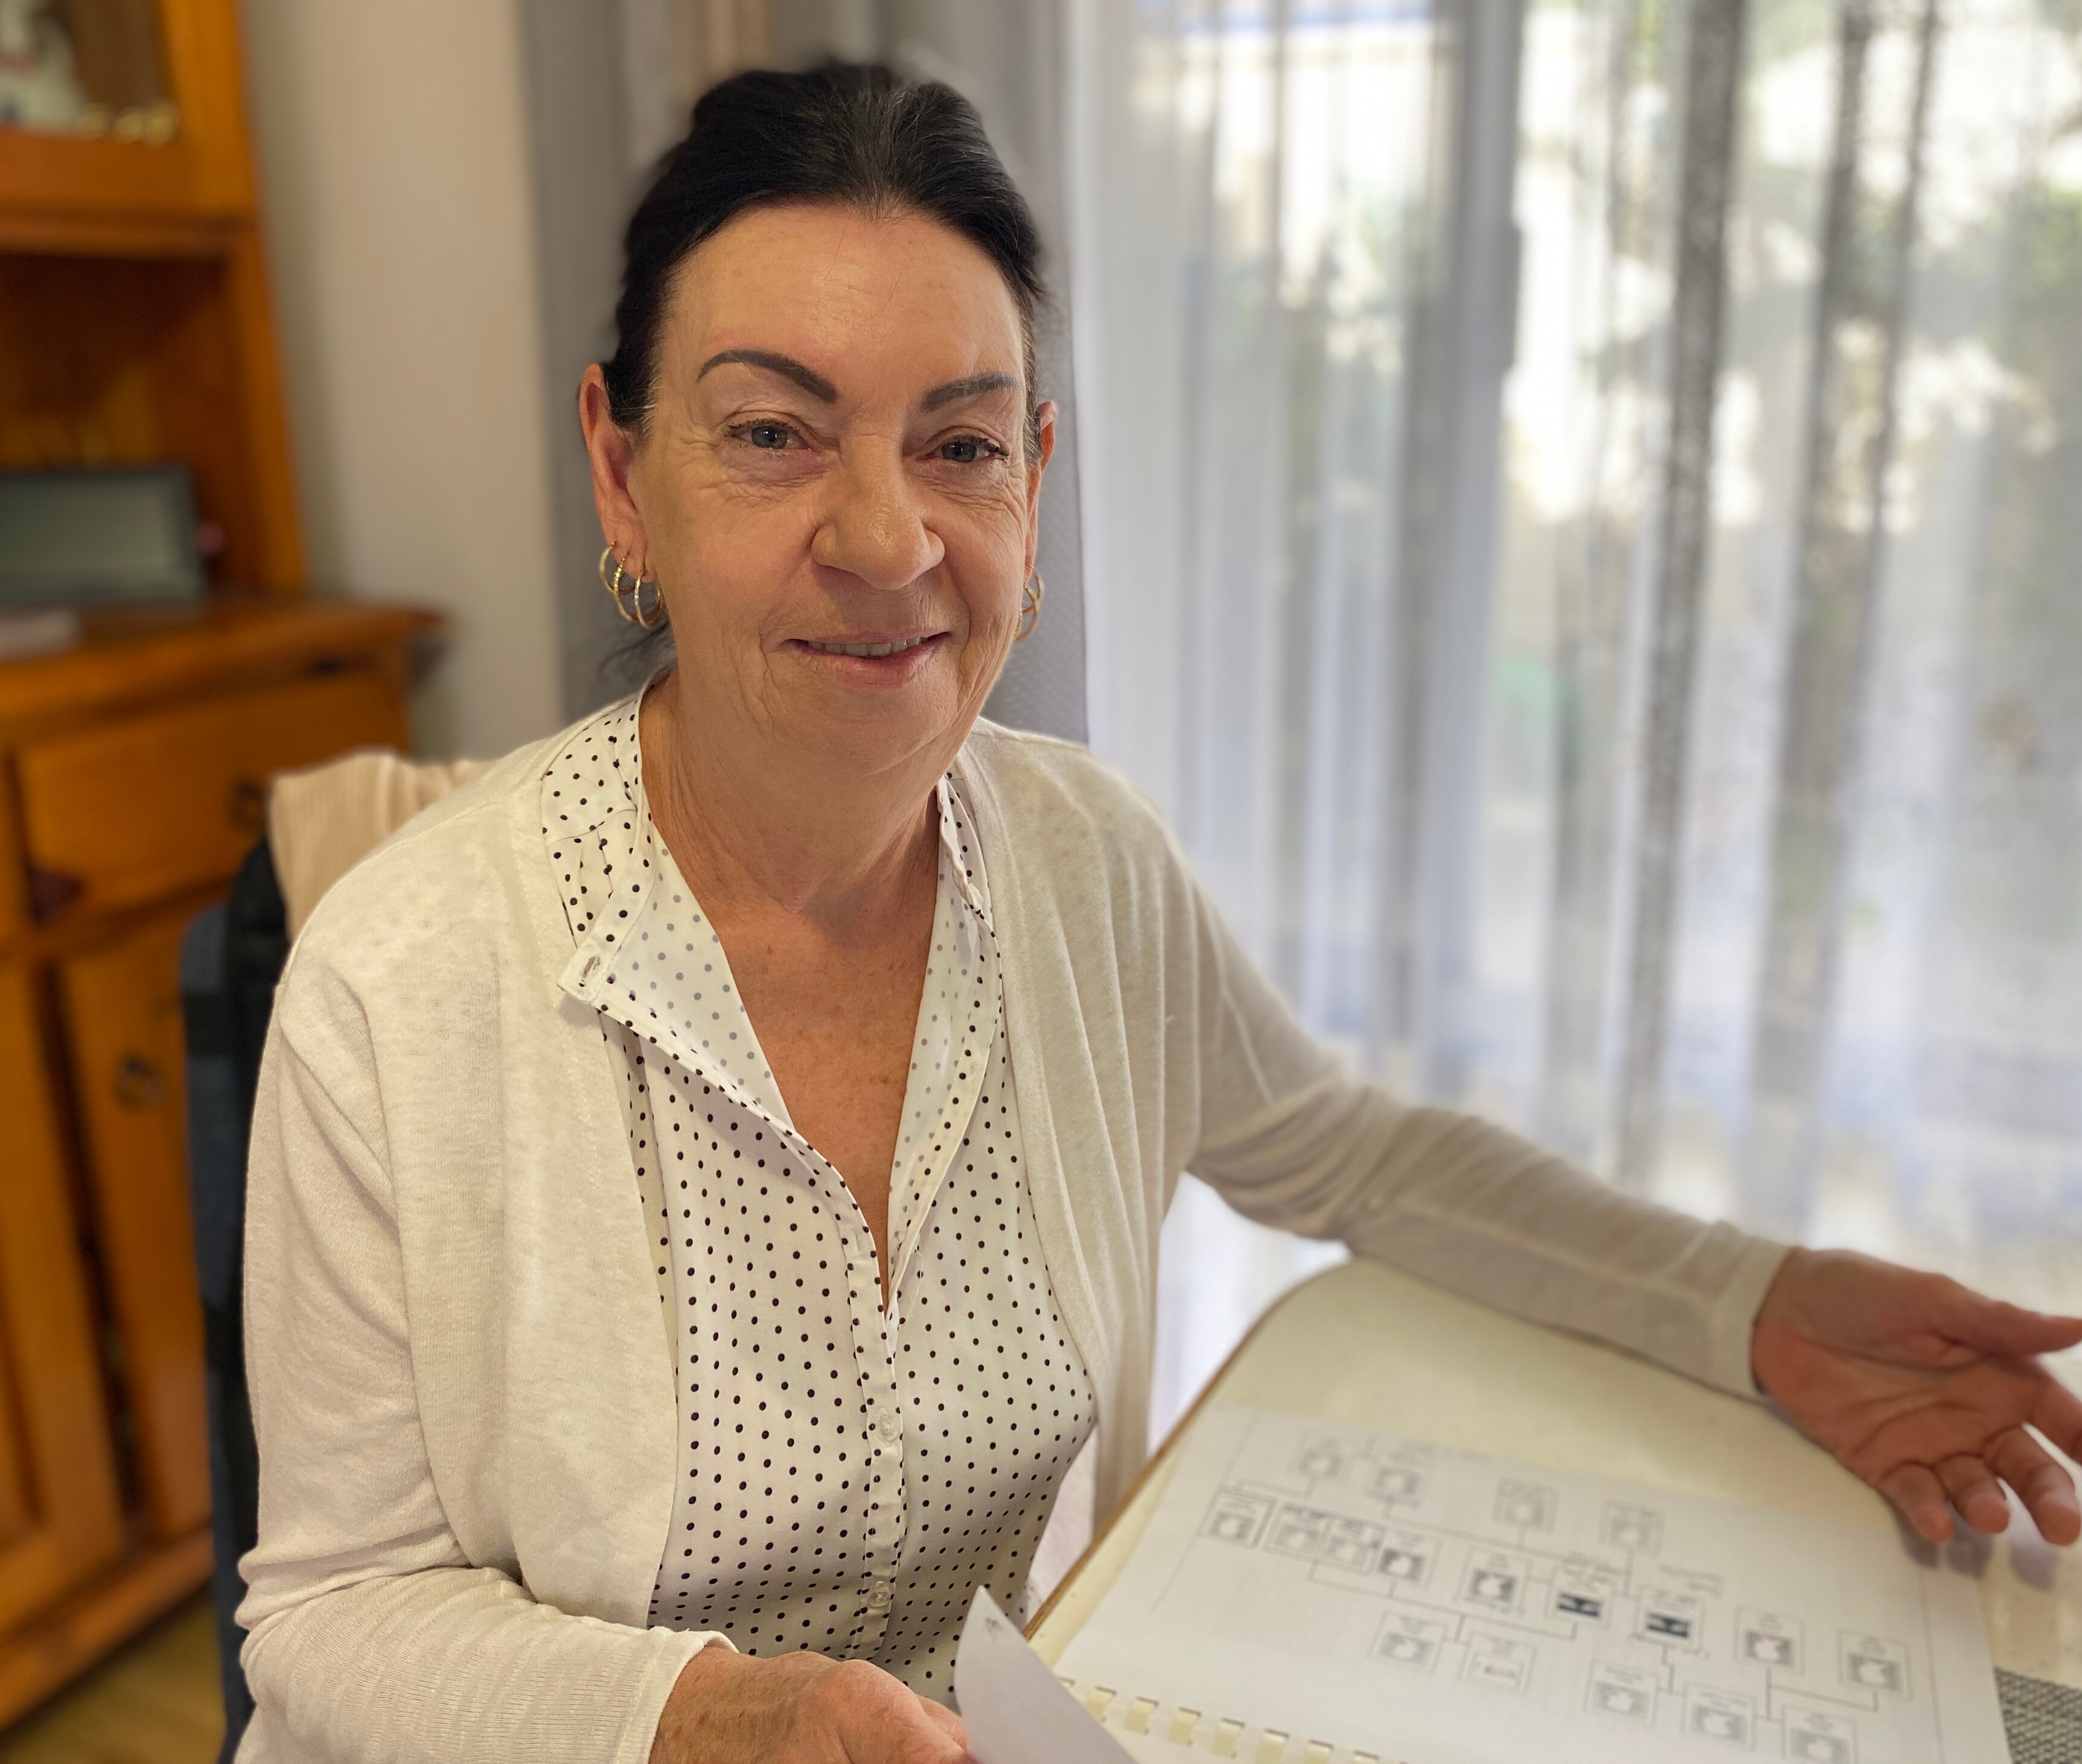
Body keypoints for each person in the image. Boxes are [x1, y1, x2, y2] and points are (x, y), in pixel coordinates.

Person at [235, 63, 2082, 1764]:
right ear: (622, 465)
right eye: (774, 432)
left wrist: (1749, 1301)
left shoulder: (1084, 869)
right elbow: (327, 1611)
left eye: (959, 447)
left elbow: (1359, 1158)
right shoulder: (400, 980)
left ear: (1034, 481)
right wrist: (699, 1718)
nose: (886, 539)